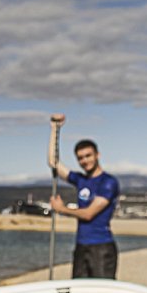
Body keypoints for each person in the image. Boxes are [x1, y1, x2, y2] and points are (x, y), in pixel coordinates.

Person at [47, 117, 120, 278]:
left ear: (97, 155)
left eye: (88, 155)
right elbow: (53, 162)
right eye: (80, 158)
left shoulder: (108, 182)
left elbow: (89, 214)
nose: (84, 160)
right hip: (81, 246)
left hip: (102, 248)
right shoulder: (81, 180)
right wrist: (54, 129)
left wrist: (61, 209)